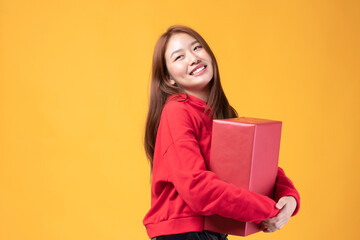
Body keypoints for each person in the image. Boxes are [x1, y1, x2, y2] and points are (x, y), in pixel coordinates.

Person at [143, 25, 300, 240]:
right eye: (179, 57)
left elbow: (258, 169)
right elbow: (196, 188)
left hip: (212, 230)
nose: (193, 58)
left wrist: (288, 197)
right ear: (169, 78)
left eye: (197, 48)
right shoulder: (176, 110)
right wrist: (270, 210)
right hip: (183, 232)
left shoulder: (221, 114)